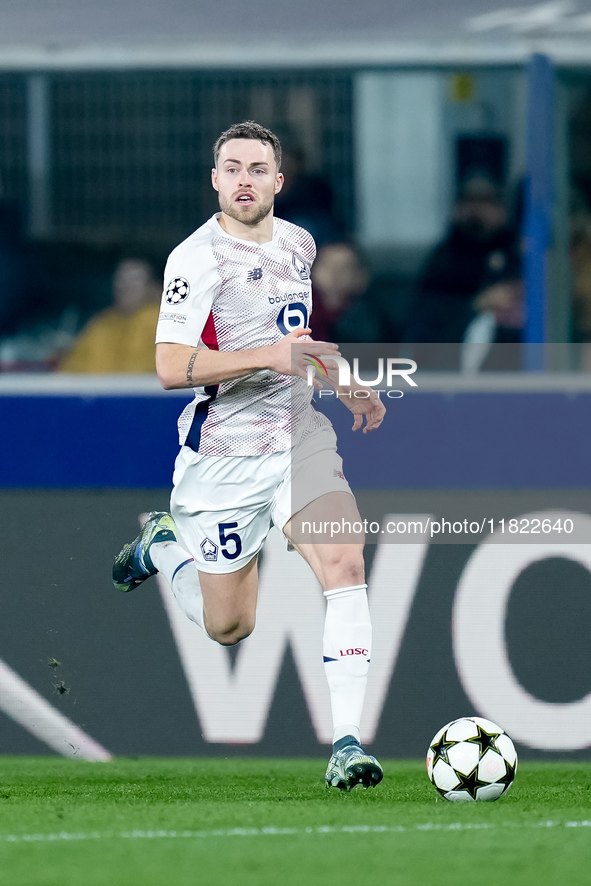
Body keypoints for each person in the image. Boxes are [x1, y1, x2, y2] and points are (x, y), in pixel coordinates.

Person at [113, 121, 386, 791]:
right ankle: (164, 545)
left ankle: (346, 743)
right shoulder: (194, 260)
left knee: (345, 561)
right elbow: (171, 367)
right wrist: (270, 357)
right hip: (224, 460)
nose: (243, 178)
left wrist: (337, 376)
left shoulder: (299, 243)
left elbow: (294, 337)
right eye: (231, 167)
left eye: (257, 168)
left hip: (299, 438)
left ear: (277, 181)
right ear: (214, 180)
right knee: (229, 626)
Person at [59, 256, 161, 372]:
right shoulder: (101, 324)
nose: (124, 287)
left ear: (154, 287)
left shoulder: (164, 325)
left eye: (134, 281)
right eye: (120, 280)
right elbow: (70, 371)